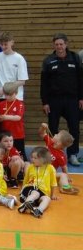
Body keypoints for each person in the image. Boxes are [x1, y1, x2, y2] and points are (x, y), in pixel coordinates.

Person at [40, 33, 83, 166]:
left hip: (72, 100)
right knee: (53, 127)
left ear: (66, 44)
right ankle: (52, 153)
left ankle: (72, 154)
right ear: (54, 45)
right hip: (54, 100)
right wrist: (45, 102)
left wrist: (81, 98)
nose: (59, 47)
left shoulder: (75, 58)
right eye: (57, 44)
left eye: (61, 44)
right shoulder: (48, 61)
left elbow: (81, 79)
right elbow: (44, 84)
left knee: (74, 127)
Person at [0, 32, 28, 101]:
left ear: (12, 43)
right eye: (1, 44)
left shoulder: (19, 59)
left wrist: (5, 89)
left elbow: (22, 81)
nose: (3, 47)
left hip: (15, 97)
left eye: (5, 44)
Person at [17, 146, 57, 218]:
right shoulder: (30, 167)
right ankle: (26, 204)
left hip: (43, 192)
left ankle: (38, 210)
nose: (32, 159)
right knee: (36, 193)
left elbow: (53, 182)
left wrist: (52, 194)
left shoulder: (50, 168)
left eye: (35, 158)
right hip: (29, 189)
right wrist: (22, 190)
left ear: (44, 159)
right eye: (32, 157)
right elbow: (26, 180)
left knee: (47, 199)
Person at [38, 123, 78, 195]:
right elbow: (41, 133)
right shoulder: (49, 142)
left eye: (57, 135)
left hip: (48, 174)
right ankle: (64, 186)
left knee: (63, 175)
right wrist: (43, 127)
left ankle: (65, 187)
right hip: (39, 171)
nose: (55, 134)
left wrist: (67, 178)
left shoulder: (61, 156)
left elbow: (64, 168)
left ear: (58, 143)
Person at [0, 81, 26, 160]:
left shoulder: (19, 104)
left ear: (16, 93)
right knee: (4, 155)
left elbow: (18, 117)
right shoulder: (1, 104)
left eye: (10, 95)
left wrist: (5, 117)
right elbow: (0, 117)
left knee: (20, 155)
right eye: (6, 95)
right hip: (5, 135)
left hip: (17, 134)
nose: (8, 97)